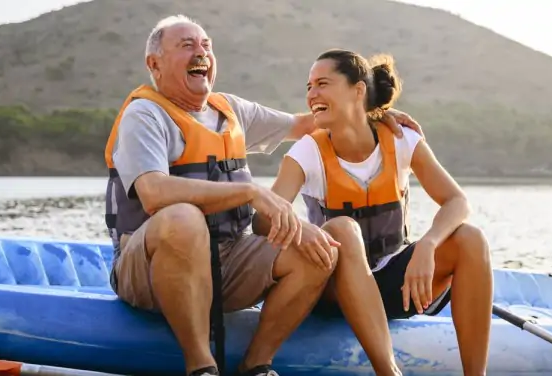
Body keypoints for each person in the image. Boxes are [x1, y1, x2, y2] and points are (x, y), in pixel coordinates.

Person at [102, 15, 423, 376]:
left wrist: (366, 112)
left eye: (206, 44)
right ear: (154, 64)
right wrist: (251, 192)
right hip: (148, 268)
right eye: (186, 45)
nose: (201, 52)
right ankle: (200, 365)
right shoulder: (144, 115)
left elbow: (308, 124)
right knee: (183, 218)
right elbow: (154, 193)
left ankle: (256, 364)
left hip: (227, 259)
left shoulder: (231, 110)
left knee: (317, 250)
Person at [255, 49, 494, 376]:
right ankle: (388, 371)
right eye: (309, 86)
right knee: (341, 229)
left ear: (358, 90)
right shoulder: (307, 151)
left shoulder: (400, 138)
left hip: (395, 287)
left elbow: (457, 201)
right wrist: (300, 228)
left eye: (322, 83)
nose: (312, 94)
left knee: (470, 238)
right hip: (332, 292)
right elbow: (262, 219)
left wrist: (428, 244)